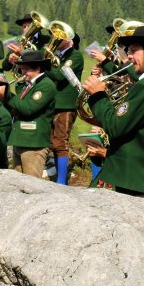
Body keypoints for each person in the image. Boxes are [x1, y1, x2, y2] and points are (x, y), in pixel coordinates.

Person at [81, 25, 144, 199]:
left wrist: (98, 95)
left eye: (133, 50)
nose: (129, 56)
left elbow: (115, 126)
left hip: (132, 179)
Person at [4, 49, 57, 178]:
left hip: (33, 144)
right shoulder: (29, 85)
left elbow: (28, 108)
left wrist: (7, 95)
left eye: (26, 69)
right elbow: (17, 107)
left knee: (32, 185)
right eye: (22, 69)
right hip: (21, 140)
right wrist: (4, 96)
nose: (22, 72)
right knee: (16, 184)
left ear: (37, 69)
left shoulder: (46, 85)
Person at [47, 30, 84, 184]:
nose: (54, 39)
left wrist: (44, 64)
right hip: (54, 103)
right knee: (54, 142)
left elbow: (60, 76)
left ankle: (62, 181)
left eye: (59, 37)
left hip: (66, 105)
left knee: (61, 142)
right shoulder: (59, 56)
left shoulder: (75, 55)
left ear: (69, 39)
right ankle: (60, 178)